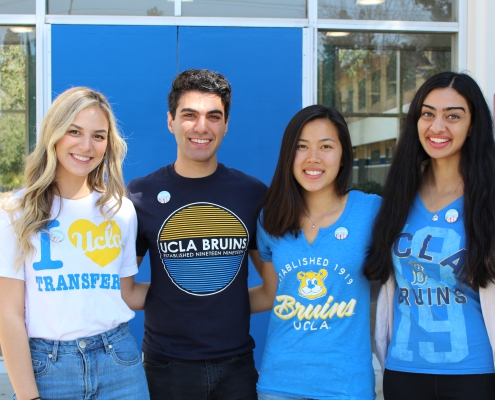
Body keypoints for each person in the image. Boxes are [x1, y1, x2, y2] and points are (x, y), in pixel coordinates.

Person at [0, 87, 150, 399]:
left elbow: (126, 292)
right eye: (74, 131)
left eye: (99, 135)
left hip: (119, 363)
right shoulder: (16, 211)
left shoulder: (119, 210)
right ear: (54, 134)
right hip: (48, 370)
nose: (86, 146)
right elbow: (9, 314)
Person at [127, 69, 267, 400]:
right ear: (171, 121)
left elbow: (272, 289)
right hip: (166, 367)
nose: (201, 127)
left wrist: (223, 301)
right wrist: (179, 297)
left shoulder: (252, 195)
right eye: (189, 115)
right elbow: (127, 291)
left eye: (213, 117)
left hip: (236, 366)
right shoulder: (139, 196)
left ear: (226, 124)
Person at [364, 71, 495, 399]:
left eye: (453, 116)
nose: (437, 127)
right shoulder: (399, 195)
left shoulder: (489, 198)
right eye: (428, 114)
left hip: (476, 374)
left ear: (474, 124)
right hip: (404, 372)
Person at [250, 105, 381, 399]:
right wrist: (201, 308)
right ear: (289, 154)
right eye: (302, 146)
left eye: (326, 146)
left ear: (344, 153)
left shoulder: (371, 211)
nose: (313, 158)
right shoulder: (271, 218)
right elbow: (272, 293)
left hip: (347, 386)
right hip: (279, 383)